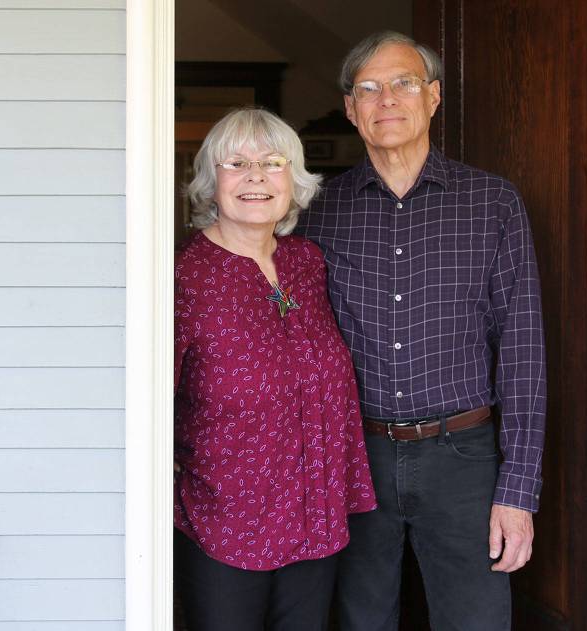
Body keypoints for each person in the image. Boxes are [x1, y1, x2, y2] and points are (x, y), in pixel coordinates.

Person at [296, 31, 546, 630]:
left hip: (464, 457)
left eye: (404, 83)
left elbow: (523, 354)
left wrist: (518, 491)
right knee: (360, 620)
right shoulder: (316, 213)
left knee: (475, 621)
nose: (387, 99)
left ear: (433, 97)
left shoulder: (493, 203)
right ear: (351, 108)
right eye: (369, 88)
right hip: (353, 457)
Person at [173, 107, 376, 631]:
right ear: (211, 180)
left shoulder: (306, 262)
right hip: (225, 520)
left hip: (314, 513)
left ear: (294, 179)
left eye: (272, 162)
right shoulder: (182, 277)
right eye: (237, 163)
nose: (256, 177)